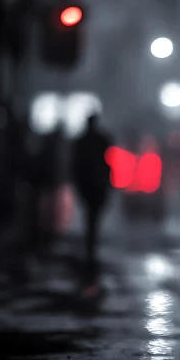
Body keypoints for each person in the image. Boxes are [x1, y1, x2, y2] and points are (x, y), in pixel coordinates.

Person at [72, 115, 113, 268]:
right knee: (93, 216)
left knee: (91, 215)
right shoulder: (101, 140)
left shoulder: (82, 141)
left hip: (90, 183)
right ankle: (91, 247)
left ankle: (90, 247)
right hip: (94, 183)